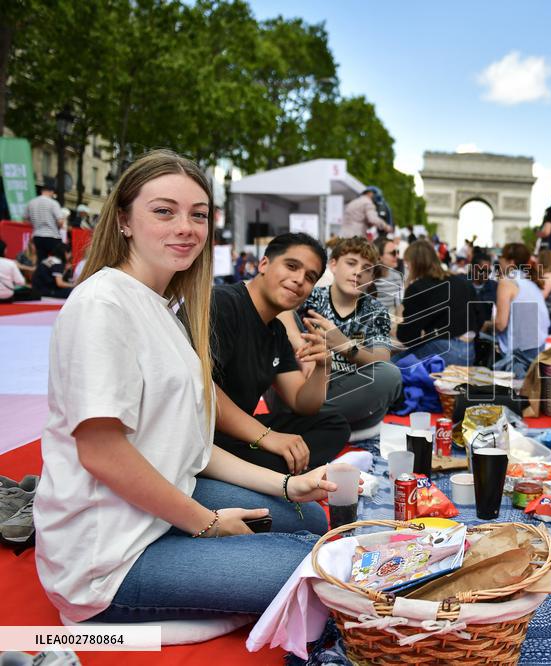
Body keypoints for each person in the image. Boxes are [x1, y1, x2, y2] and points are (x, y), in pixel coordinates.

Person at [34, 149, 342, 625]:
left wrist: (286, 483)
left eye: (198, 215)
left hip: (163, 505)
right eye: (164, 211)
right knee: (322, 572)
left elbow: (195, 446)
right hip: (109, 557)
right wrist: (209, 524)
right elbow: (100, 453)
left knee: (307, 520)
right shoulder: (102, 304)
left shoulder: (168, 309)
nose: (186, 227)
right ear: (124, 220)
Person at [210, 233, 352, 474]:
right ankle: (280, 470)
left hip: (243, 434)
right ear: (263, 264)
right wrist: (267, 437)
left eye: (310, 277)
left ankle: (283, 467)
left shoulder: (276, 330)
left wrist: (323, 366)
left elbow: (301, 403)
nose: (299, 280)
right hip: (207, 438)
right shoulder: (223, 304)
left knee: (335, 423)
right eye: (292, 266)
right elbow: (203, 391)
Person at [279, 236, 402, 433]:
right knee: (275, 329)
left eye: (367, 268)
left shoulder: (375, 311)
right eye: (351, 263)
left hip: (348, 389)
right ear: (333, 265)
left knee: (390, 375)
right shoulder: (314, 295)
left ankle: (300, 420)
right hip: (307, 381)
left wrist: (344, 345)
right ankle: (313, 420)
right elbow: (280, 310)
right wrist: (301, 347)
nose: (358, 272)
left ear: (371, 278)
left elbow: (383, 360)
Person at [393, 239, 475, 366]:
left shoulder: (418, 288)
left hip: (445, 350)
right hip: (469, 351)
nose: (406, 266)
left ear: (414, 263)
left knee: (388, 367)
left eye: (407, 262)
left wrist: (400, 313)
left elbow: (406, 337)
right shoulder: (460, 281)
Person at [482, 242, 549, 378]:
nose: (498, 260)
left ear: (510, 261)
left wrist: (486, 325)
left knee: (479, 338)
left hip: (518, 354)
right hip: (538, 347)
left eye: (501, 257)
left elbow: (501, 324)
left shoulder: (507, 282)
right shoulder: (531, 281)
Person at [25, 180, 63, 261]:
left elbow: (26, 219)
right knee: (57, 261)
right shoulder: (53, 203)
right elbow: (60, 221)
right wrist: (58, 227)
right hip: (52, 236)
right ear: (51, 191)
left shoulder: (31, 203)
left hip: (37, 236)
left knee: (41, 261)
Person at [372, 235, 404, 318]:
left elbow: (398, 307)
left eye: (397, 252)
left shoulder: (397, 276)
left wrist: (398, 325)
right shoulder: (368, 278)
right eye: (393, 253)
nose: (397, 256)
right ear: (379, 257)